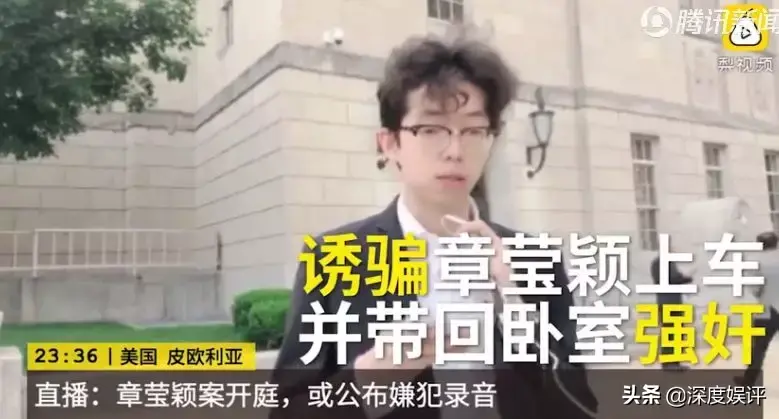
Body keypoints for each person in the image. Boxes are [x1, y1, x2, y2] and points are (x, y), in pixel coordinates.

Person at [268, 34, 597, 419]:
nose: (455, 150)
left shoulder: (533, 259)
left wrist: (514, 301)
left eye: (473, 131)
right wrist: (366, 379)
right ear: (390, 143)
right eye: (431, 129)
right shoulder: (335, 257)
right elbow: (285, 411)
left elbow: (580, 407)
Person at [734, 231, 779, 386]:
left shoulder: (757, 262)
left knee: (759, 346)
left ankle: (749, 381)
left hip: (767, 309)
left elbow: (755, 288)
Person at [650, 242, 693, 372]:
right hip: (667, 302)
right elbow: (668, 279)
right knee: (669, 333)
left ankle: (675, 361)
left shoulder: (667, 263)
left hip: (673, 301)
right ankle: (669, 363)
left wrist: (683, 278)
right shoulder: (659, 263)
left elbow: (674, 277)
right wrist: (684, 279)